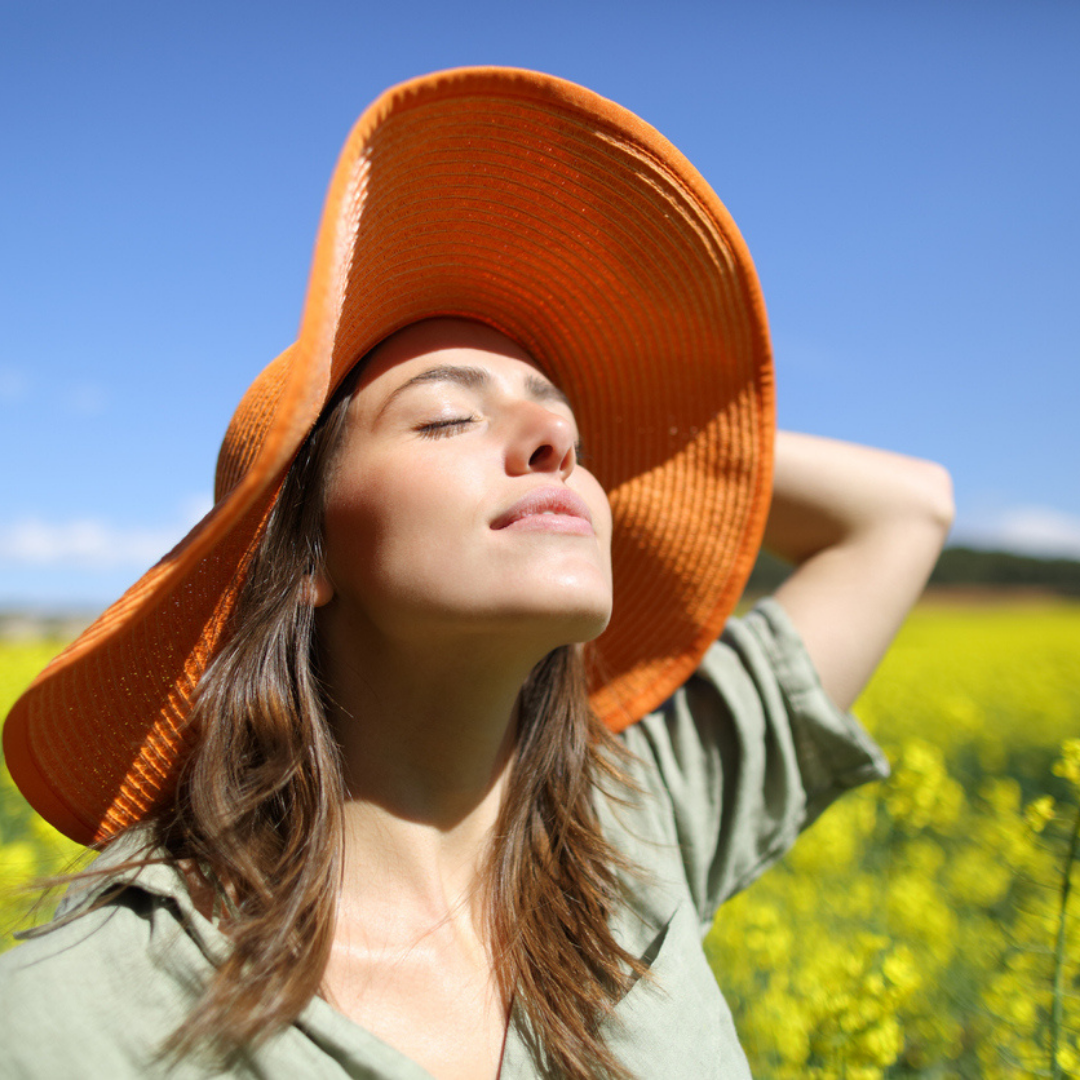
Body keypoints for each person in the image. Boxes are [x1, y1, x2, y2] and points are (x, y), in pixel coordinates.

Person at [0, 67, 953, 1079]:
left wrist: (591, 453)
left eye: (574, 431)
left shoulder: (635, 824)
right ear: (308, 551)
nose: (555, 436)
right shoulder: (77, 1015)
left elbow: (905, 510)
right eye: (448, 415)